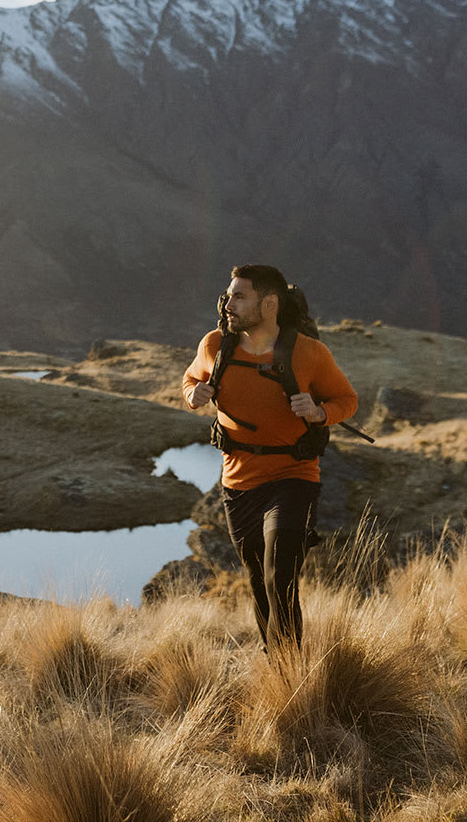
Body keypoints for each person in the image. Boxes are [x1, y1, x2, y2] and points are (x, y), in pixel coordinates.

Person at [182, 264, 358, 652]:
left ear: (271, 303)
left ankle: (290, 669)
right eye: (228, 295)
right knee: (259, 580)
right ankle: (277, 661)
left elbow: (347, 400)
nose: (228, 303)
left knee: (280, 575)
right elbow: (191, 378)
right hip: (238, 482)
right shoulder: (215, 346)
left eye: (240, 296)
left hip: (294, 475)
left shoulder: (310, 353)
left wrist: (318, 413)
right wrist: (193, 393)